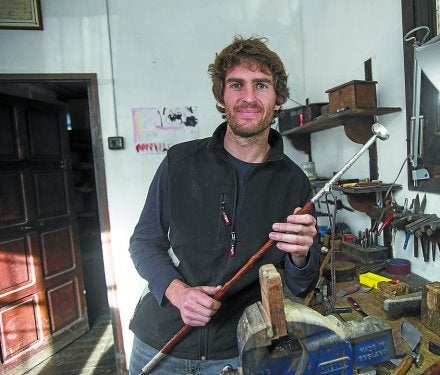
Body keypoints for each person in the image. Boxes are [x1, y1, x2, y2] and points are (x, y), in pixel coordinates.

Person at [128, 35, 321, 374]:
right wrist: (178, 293)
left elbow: (300, 284)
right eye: (237, 85)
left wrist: (302, 255)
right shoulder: (180, 162)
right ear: (222, 96)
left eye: (261, 85)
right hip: (159, 343)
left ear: (278, 100)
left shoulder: (295, 183)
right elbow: (144, 242)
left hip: (237, 352)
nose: (249, 97)